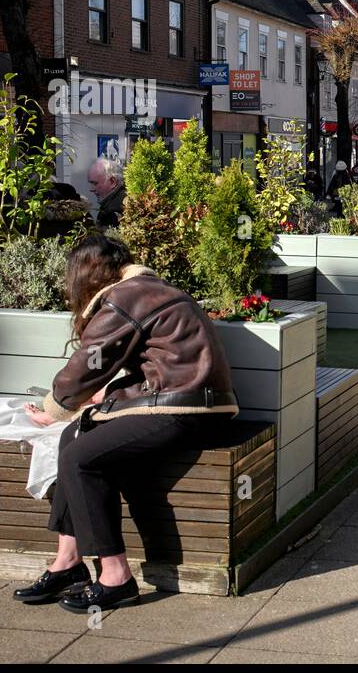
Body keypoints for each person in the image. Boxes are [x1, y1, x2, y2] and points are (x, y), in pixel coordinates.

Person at [15, 235, 239, 612]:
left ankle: (115, 577)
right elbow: (164, 364)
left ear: (86, 273)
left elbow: (89, 362)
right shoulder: (150, 288)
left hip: (187, 411)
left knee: (79, 459)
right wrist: (90, 406)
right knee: (75, 435)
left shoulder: (124, 297)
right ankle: (68, 563)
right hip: (196, 404)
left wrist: (53, 407)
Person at [86, 157, 125, 228]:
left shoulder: (115, 211)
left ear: (113, 182)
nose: (91, 189)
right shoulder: (110, 205)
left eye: (95, 183)